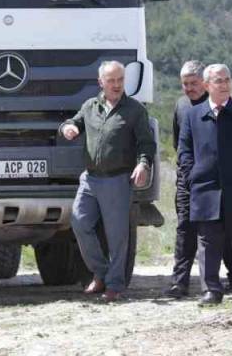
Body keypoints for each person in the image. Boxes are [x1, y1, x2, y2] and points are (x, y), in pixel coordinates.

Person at [60, 61, 155, 302]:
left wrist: (143, 164)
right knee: (79, 222)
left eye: (120, 80)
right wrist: (68, 128)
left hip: (117, 180)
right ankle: (101, 272)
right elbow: (73, 122)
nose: (116, 85)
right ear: (100, 82)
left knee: (117, 237)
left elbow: (146, 143)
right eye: (111, 80)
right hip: (90, 179)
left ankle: (115, 285)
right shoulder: (90, 106)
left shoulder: (134, 110)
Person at [178, 64, 232, 305]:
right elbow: (184, 152)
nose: (225, 84)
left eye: (227, 79)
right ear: (207, 85)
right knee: (208, 242)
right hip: (205, 190)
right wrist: (193, 176)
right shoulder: (192, 115)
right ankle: (211, 290)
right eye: (219, 81)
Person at [166, 60, 232, 298]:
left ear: (205, 84)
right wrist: (188, 175)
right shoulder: (181, 106)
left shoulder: (218, 106)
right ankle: (180, 282)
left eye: (194, 83)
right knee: (185, 230)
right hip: (189, 181)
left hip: (216, 183)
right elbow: (180, 145)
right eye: (185, 84)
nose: (189, 88)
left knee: (222, 230)